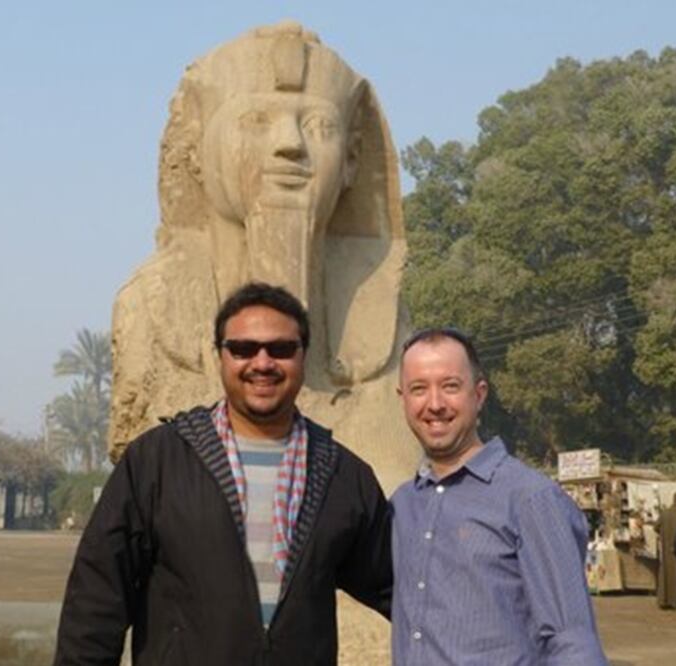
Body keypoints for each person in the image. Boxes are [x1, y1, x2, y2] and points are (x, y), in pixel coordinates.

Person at [110, 21, 418, 492]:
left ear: (352, 159)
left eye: (317, 125)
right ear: (194, 150)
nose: (289, 145)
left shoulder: (390, 327)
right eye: (255, 121)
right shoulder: (144, 310)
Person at [54, 282, 391, 666]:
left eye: (280, 349)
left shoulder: (342, 474)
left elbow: (397, 586)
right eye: (243, 348)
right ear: (220, 357)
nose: (262, 363)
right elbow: (97, 597)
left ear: (303, 356)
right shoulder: (157, 462)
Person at [390, 328, 607, 665]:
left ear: (479, 394)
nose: (434, 405)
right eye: (419, 389)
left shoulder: (531, 499)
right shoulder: (404, 505)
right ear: (402, 398)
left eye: (450, 386)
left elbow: (572, 643)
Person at [656, 491, 676, 609]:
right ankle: (675, 601)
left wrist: (663, 534)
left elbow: (656, 527)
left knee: (665, 574)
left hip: (666, 547)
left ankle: (663, 600)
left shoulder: (664, 513)